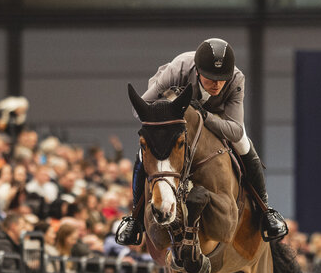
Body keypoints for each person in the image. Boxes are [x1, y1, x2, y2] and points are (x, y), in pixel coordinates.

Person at [114, 37, 288, 246]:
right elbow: (141, 109)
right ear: (197, 71)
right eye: (211, 78)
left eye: (221, 79)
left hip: (217, 117)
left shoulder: (236, 78)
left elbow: (235, 130)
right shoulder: (178, 69)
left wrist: (204, 116)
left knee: (244, 144)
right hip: (175, 118)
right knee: (143, 153)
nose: (217, 84)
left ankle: (265, 210)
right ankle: (135, 218)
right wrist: (170, 108)